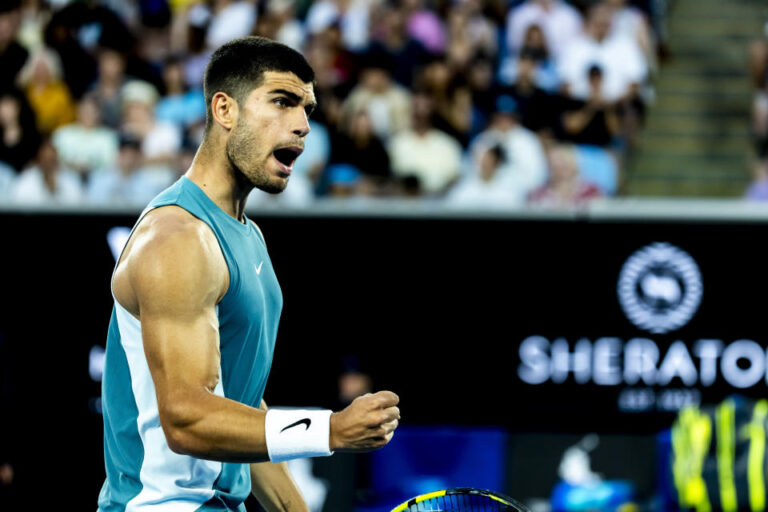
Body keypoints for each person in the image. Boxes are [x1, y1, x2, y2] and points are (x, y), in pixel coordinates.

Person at [98, 36, 400, 512]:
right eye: (282, 101)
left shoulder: (246, 235)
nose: (301, 125)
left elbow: (238, 404)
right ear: (224, 109)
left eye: (307, 108)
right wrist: (331, 431)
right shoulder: (176, 237)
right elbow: (188, 419)